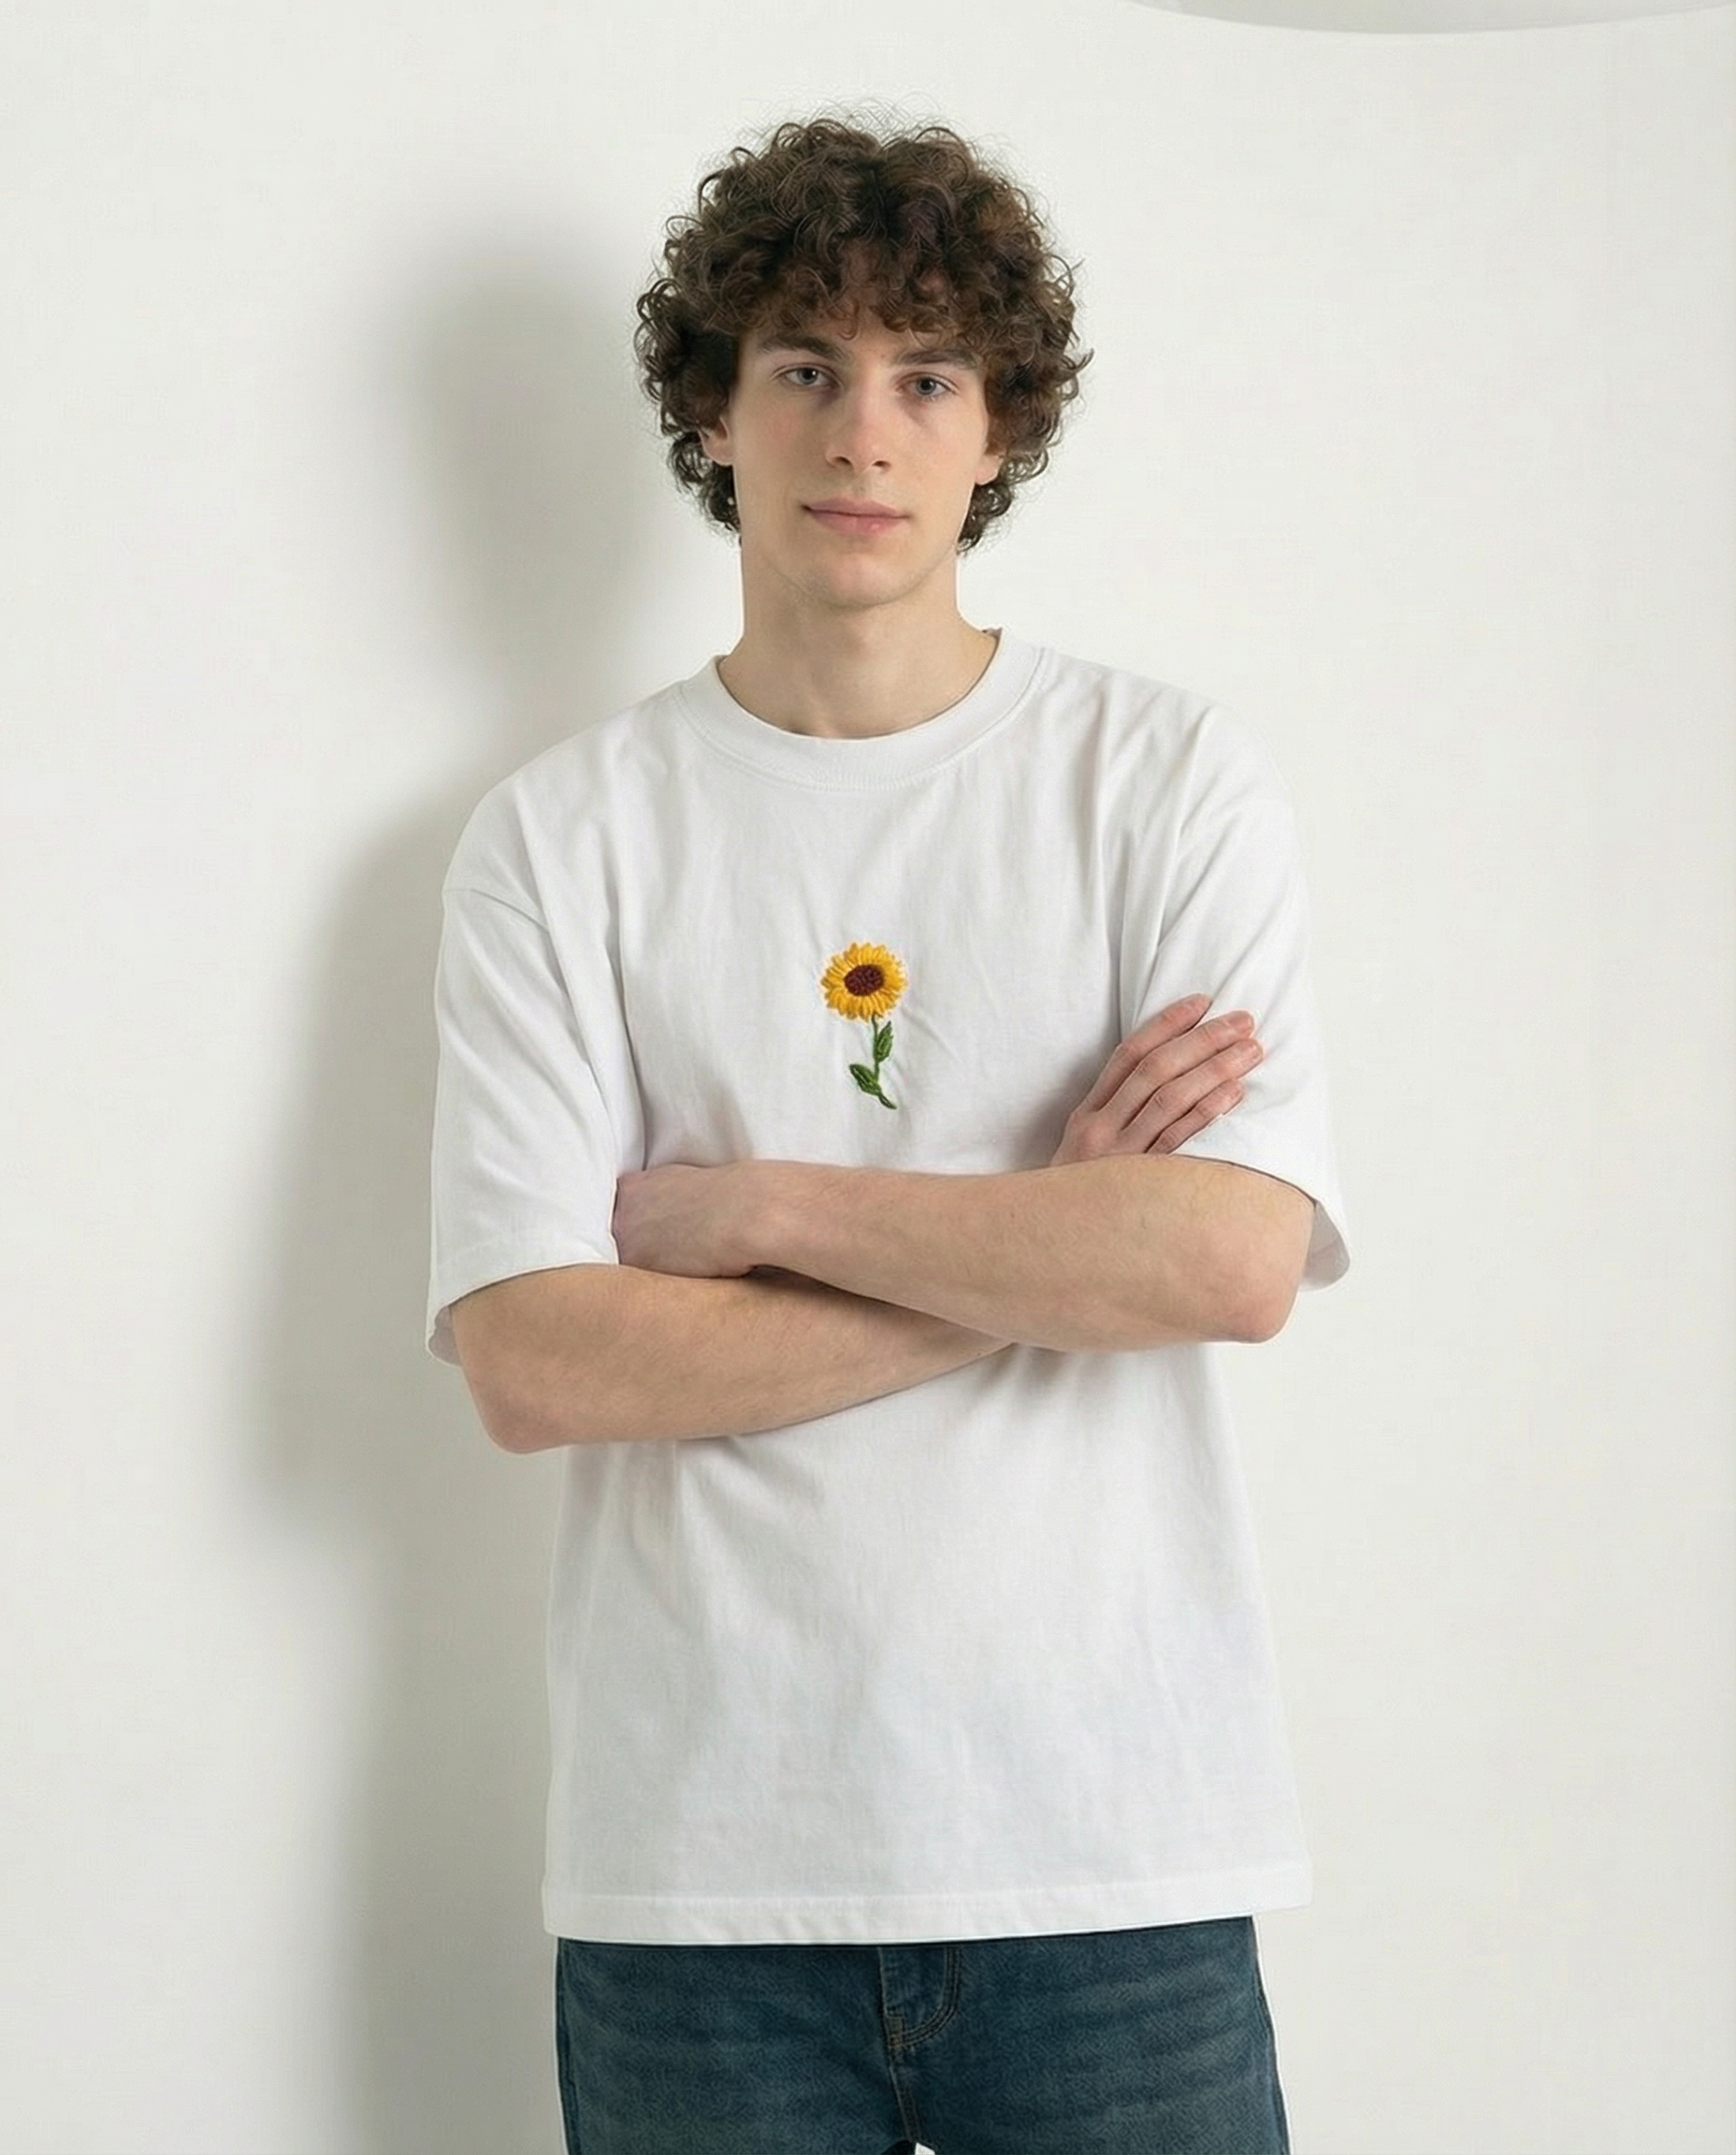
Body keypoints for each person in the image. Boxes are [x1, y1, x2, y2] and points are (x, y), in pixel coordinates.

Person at [427, 114, 1348, 2155]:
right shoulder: (563, 839)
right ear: (711, 409)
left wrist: (756, 1212)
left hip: (1113, 1861)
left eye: (926, 375)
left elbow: (1224, 1264)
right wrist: (1049, 1235)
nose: (865, 431)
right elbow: (535, 1362)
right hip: (702, 1884)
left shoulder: (1164, 782)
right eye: (805, 368)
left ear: (998, 426)